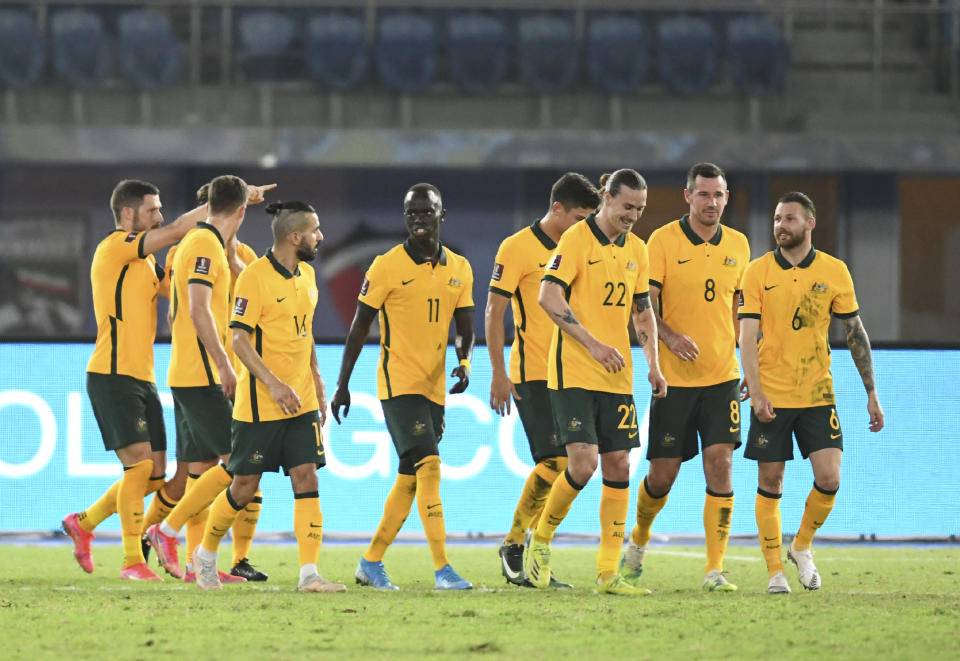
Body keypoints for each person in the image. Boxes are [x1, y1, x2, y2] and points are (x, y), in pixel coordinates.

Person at [523, 169, 668, 596]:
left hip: (617, 375)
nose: (633, 216)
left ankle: (608, 573)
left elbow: (642, 312)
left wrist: (654, 365)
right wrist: (593, 344)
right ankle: (542, 540)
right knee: (582, 465)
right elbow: (548, 296)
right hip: (574, 370)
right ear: (606, 197)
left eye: (640, 210)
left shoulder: (638, 250)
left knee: (619, 465)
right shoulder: (576, 240)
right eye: (627, 207)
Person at [190, 200, 344, 592]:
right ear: (295, 237)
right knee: (243, 485)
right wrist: (275, 384)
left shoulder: (308, 275)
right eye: (315, 230)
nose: (320, 237)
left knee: (306, 476)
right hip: (261, 402)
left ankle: (309, 574)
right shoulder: (254, 278)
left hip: (302, 400)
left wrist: (317, 380)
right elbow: (239, 341)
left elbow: (305, 333)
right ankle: (206, 554)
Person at [331, 183, 475, 591]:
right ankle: (443, 569)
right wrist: (343, 385)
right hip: (398, 385)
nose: (418, 220)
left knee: (409, 478)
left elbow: (465, 328)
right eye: (411, 214)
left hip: (434, 388)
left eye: (426, 212)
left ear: (441, 215)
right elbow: (359, 328)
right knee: (429, 467)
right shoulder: (385, 266)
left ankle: (370, 562)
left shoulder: (460, 269)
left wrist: (464, 362)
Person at [738, 191, 884, 594]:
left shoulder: (835, 271)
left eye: (789, 219)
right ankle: (774, 573)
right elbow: (747, 338)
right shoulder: (757, 272)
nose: (780, 225)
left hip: (818, 393)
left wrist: (871, 392)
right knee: (771, 480)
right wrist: (759, 388)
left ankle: (801, 546)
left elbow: (855, 333)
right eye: (777, 218)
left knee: (830, 477)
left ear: (809, 224)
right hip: (773, 394)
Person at [61, 179, 207, 580]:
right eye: (152, 210)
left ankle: (84, 522)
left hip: (144, 379)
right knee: (140, 469)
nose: (159, 216)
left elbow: (174, 290)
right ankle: (131, 561)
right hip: (112, 375)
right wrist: (223, 203)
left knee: (156, 476)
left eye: (160, 210)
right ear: (128, 214)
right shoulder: (115, 247)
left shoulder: (145, 263)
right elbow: (177, 229)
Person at [618, 163, 751, 592]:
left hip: (721, 377)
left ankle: (715, 569)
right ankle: (637, 542)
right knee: (663, 476)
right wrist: (669, 339)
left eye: (719, 195)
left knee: (722, 464)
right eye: (704, 195)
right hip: (674, 381)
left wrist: (749, 364)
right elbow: (643, 305)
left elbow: (741, 311)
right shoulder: (662, 242)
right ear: (687, 196)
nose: (711, 203)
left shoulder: (740, 245)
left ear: (726, 198)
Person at [147, 181, 268, 583]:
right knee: (241, 461)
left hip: (187, 372)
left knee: (201, 471)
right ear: (242, 212)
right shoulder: (203, 245)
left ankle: (200, 566)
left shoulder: (206, 244)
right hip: (202, 376)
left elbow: (176, 315)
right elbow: (199, 311)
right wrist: (224, 366)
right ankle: (165, 531)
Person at [486, 172, 600, 588]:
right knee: (554, 461)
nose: (585, 225)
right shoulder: (516, 247)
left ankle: (531, 545)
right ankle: (517, 543)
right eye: (580, 217)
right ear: (556, 210)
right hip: (533, 372)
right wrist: (498, 371)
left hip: (576, 373)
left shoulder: (585, 246)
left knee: (579, 464)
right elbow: (493, 311)